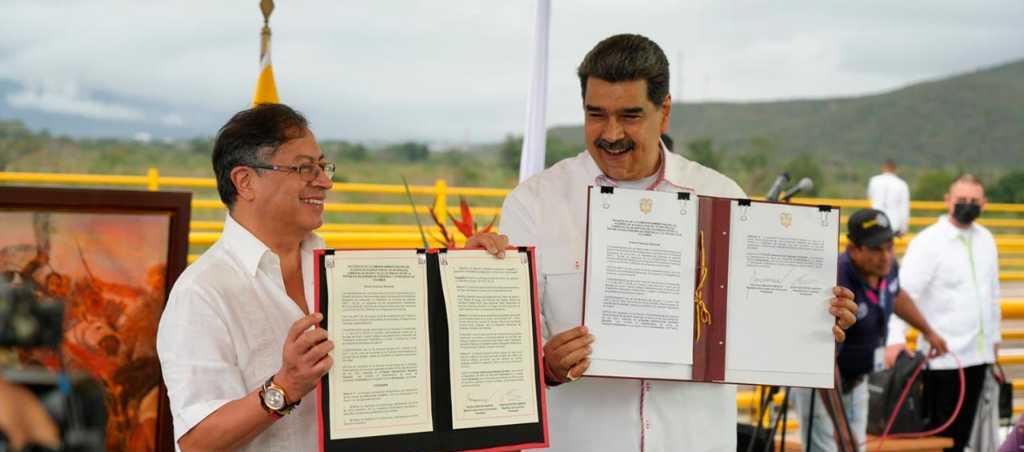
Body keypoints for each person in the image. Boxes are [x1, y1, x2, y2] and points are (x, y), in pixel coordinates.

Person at [492, 33, 857, 452]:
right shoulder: (534, 204)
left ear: (663, 113)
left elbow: (757, 328)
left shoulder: (722, 197)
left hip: (694, 439)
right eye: (596, 114)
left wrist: (811, 320)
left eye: (630, 115)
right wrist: (548, 367)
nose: (611, 133)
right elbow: (505, 352)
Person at [156, 104, 337, 451]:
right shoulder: (203, 292)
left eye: (322, 166)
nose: (325, 182)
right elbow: (198, 441)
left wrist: (466, 271)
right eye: (304, 168)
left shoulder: (337, 271)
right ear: (245, 181)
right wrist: (285, 387)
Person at [791, 209, 948, 452]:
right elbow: (822, 358)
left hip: (857, 381)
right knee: (831, 448)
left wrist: (928, 331)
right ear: (853, 249)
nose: (886, 256)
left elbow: (896, 295)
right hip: (821, 386)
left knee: (856, 448)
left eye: (889, 247)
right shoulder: (836, 282)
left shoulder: (886, 268)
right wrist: (841, 428)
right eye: (876, 249)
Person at [885, 174, 1001, 452]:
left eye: (974, 200)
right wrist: (894, 338)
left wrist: (994, 341)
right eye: (961, 200)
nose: (968, 205)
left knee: (965, 440)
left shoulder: (986, 239)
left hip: (979, 357)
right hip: (944, 361)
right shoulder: (929, 242)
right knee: (939, 441)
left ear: (984, 203)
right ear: (947, 201)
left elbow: (992, 294)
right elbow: (902, 294)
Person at [866, 159, 910, 236]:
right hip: (894, 224)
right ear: (895, 169)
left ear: (883, 168)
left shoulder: (874, 181)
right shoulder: (901, 184)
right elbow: (904, 208)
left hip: (876, 221)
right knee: (891, 246)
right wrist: (904, 228)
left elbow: (870, 197)